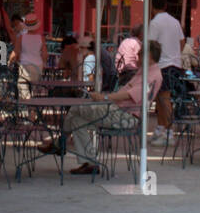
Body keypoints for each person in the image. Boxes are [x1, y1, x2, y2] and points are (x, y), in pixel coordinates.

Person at [60, 41, 163, 175]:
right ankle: (90, 162)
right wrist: (105, 97)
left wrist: (105, 98)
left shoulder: (152, 75)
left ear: (148, 55)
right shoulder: (145, 71)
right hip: (118, 111)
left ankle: (59, 143)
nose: (137, 55)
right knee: (76, 121)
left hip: (126, 115)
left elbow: (130, 94)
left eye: (140, 53)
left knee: (77, 108)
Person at [149, 4, 185, 146]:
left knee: (164, 98)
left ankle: (169, 132)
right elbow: (182, 41)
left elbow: (150, 44)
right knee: (161, 97)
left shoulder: (155, 22)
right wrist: (176, 55)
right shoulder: (175, 22)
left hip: (162, 64)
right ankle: (161, 128)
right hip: (175, 64)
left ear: (153, 7)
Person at [9, 12, 45, 100]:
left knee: (22, 85)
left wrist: (9, 62)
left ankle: (29, 107)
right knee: (35, 89)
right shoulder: (41, 38)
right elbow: (44, 54)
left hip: (25, 66)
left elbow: (15, 53)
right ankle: (33, 108)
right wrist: (43, 64)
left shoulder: (21, 37)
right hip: (37, 67)